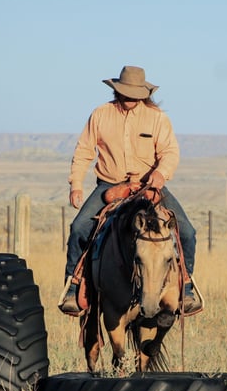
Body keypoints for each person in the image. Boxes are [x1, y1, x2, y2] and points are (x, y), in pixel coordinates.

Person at [59, 65, 202, 315]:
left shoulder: (157, 118)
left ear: (143, 94)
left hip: (150, 186)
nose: (130, 99)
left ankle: (185, 287)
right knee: (79, 227)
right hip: (110, 184)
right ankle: (73, 285)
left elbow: (170, 152)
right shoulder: (100, 115)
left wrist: (160, 174)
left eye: (135, 94)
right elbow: (84, 151)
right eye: (125, 93)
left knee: (187, 232)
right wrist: (76, 185)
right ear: (117, 91)